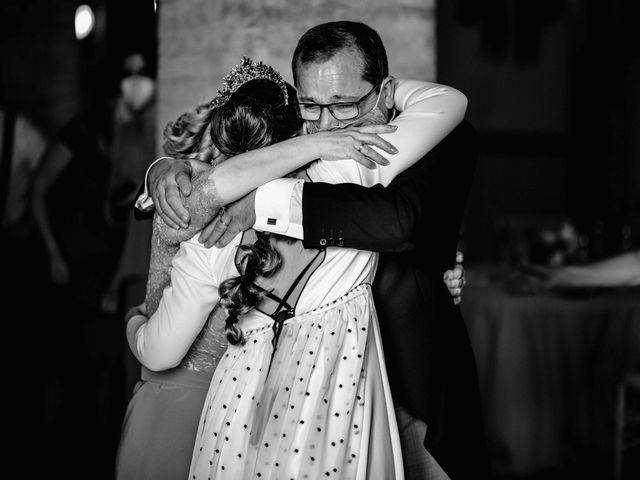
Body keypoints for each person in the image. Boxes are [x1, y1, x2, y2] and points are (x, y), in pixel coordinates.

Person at [148, 21, 487, 478]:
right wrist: (163, 170)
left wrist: (258, 200)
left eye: (345, 106)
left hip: (417, 390)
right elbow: (229, 170)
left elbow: (398, 221)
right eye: (311, 105)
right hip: (314, 390)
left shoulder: (428, 140)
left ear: (385, 92)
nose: (327, 125)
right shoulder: (312, 153)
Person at [116, 58, 402, 480]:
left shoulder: (208, 213)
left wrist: (132, 320)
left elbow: (160, 353)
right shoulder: (308, 205)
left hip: (183, 411)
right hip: (259, 411)